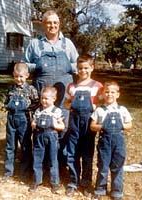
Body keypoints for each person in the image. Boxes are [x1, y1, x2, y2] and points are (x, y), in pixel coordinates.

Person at [21, 9, 78, 172]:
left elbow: (77, 64)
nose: (52, 25)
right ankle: (41, 163)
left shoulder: (68, 44)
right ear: (43, 25)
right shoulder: (34, 44)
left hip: (63, 91)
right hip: (42, 91)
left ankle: (61, 163)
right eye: (49, 23)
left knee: (63, 125)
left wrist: (66, 66)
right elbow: (25, 64)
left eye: (55, 23)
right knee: (41, 124)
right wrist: (36, 65)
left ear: (59, 25)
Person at [64, 53, 103, 197]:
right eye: (80, 68)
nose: (83, 71)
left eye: (86, 68)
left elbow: (102, 104)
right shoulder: (72, 86)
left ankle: (86, 183)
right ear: (77, 69)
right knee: (73, 153)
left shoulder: (97, 86)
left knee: (87, 154)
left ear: (92, 68)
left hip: (88, 124)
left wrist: (94, 105)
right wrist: (72, 105)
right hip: (74, 123)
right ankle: (73, 182)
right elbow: (65, 104)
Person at [90, 81, 132, 200]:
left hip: (119, 142)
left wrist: (121, 126)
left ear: (118, 94)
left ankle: (117, 192)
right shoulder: (99, 110)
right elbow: (92, 126)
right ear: (103, 94)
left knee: (117, 166)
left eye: (112, 92)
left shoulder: (122, 109)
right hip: (105, 142)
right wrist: (103, 126)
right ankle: (100, 189)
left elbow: (129, 124)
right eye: (107, 92)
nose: (109, 94)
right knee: (103, 166)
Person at [1, 62, 39, 183]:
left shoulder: (31, 89)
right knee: (10, 146)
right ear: (13, 75)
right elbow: (6, 102)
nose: (19, 79)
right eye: (16, 76)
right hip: (11, 119)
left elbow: (36, 104)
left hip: (24, 120)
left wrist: (33, 118)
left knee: (25, 146)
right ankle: (8, 172)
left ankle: (25, 173)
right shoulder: (10, 89)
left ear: (27, 75)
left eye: (21, 76)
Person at [29, 86, 65, 194]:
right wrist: (35, 124)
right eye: (42, 98)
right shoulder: (38, 110)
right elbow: (33, 123)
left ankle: (54, 183)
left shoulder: (57, 111)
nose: (43, 101)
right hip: (39, 136)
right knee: (37, 158)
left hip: (52, 136)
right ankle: (36, 180)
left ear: (54, 99)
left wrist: (53, 124)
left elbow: (62, 126)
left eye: (46, 99)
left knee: (53, 160)